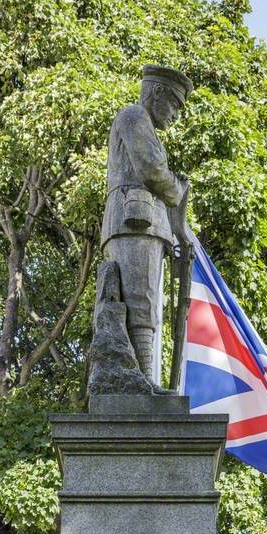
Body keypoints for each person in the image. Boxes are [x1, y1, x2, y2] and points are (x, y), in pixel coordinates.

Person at [99, 65, 194, 384]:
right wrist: (177, 189)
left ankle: (142, 379)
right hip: (133, 222)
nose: (176, 115)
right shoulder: (133, 116)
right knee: (140, 299)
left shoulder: (143, 124)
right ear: (157, 93)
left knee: (147, 300)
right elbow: (151, 170)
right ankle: (142, 380)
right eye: (176, 105)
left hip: (144, 224)